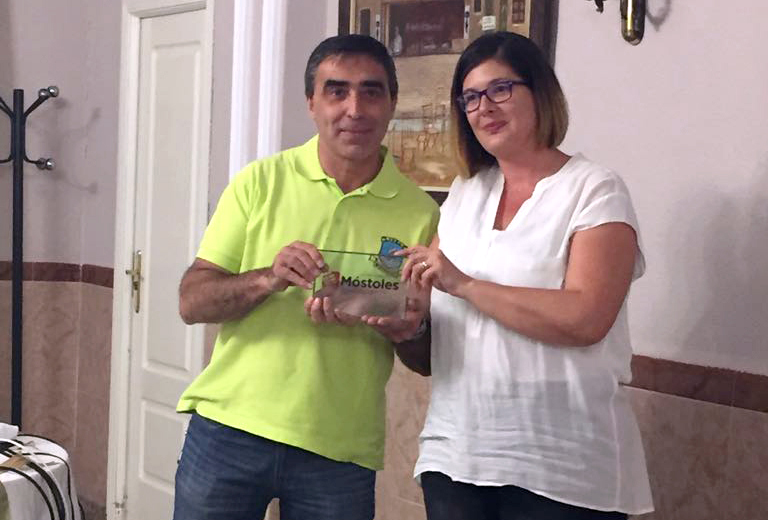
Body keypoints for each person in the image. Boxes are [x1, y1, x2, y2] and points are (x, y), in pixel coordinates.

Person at [172, 34, 439, 520]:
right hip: (229, 431)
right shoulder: (259, 182)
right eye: (337, 91)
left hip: (340, 450)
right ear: (311, 103)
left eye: (371, 92)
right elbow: (192, 303)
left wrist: (410, 329)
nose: (354, 108)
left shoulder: (422, 214)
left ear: (392, 103)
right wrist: (268, 279)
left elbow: (425, 358)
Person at [397, 32, 654, 520]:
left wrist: (465, 285)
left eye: (500, 89)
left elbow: (586, 318)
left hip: (563, 468)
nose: (484, 108)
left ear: (540, 92)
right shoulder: (464, 193)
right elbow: (435, 342)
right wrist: (404, 323)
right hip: (455, 457)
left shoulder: (594, 190)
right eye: (471, 98)